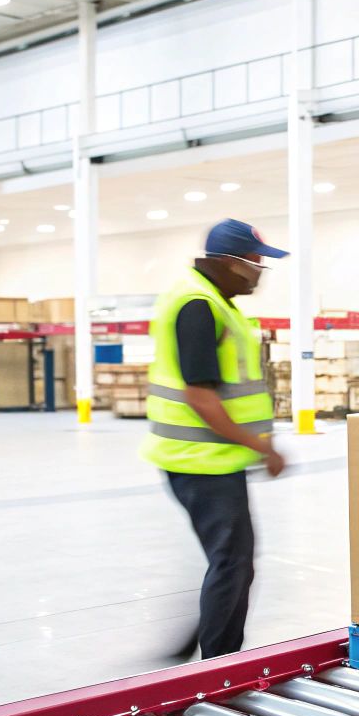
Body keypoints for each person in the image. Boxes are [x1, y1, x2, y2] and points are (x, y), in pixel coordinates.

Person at [142, 219, 287, 660]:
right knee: (234, 563)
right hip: (199, 460)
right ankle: (219, 665)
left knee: (229, 559)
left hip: (212, 458)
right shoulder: (198, 305)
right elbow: (200, 396)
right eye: (255, 262)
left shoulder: (217, 300)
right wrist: (262, 445)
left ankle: (196, 645)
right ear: (228, 262)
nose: (260, 272)